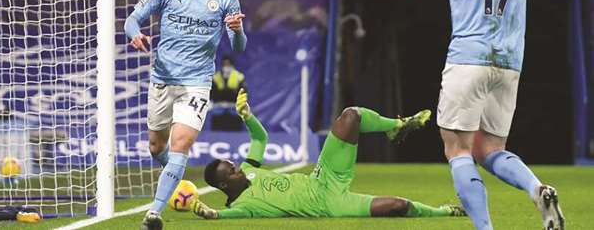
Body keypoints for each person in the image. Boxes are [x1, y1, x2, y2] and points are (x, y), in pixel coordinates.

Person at [337, 0, 564, 229]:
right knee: (491, 150)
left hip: (468, 58)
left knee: (458, 150)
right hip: (509, 63)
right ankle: (537, 188)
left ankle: (485, 228)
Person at [124, 0, 247, 230]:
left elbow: (239, 46)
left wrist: (238, 29)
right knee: (156, 147)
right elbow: (132, 19)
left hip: (197, 83)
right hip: (163, 79)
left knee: (182, 144)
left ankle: (153, 213)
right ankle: (176, 176)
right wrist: (135, 35)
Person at [190, 89, 465, 220]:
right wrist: (210, 213)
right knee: (397, 207)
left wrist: (248, 116)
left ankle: (396, 127)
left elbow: (260, 138)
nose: (238, 169)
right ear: (225, 185)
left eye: (233, 165)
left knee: (350, 116)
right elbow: (228, 217)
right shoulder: (243, 206)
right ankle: (445, 212)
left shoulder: (249, 169)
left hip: (323, 178)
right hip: (329, 205)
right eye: (232, 171)